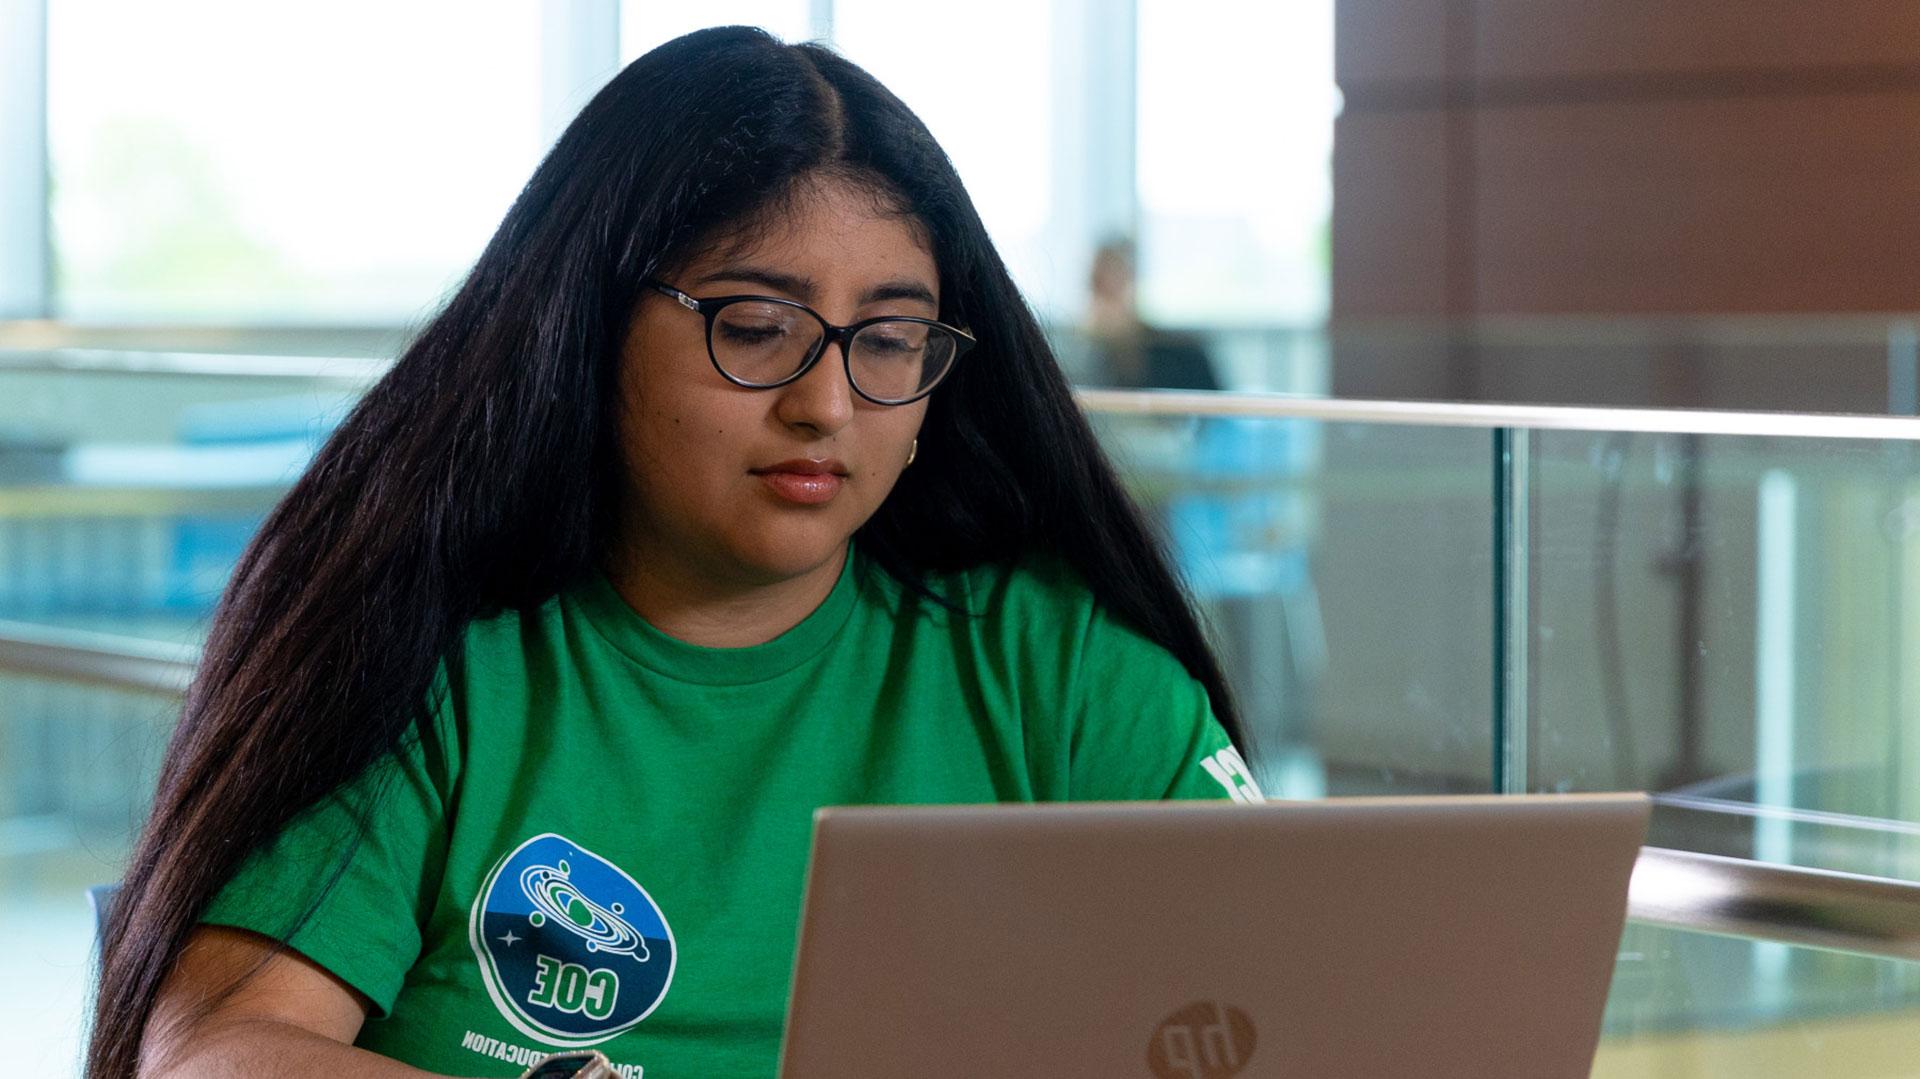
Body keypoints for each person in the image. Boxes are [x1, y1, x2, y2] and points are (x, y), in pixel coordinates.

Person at [89, 27, 1260, 1079]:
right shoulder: (435, 666)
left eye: (891, 340)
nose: (826, 402)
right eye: (756, 327)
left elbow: (1290, 1001)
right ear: (588, 327)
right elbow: (215, 1051)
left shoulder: (1056, 671)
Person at [1082, 236, 1220, 391]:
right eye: (1100, 287)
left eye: (1114, 286)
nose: (1107, 302)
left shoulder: (1181, 353)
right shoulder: (1082, 353)